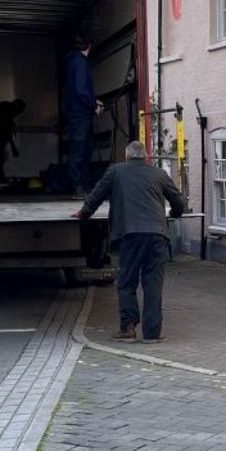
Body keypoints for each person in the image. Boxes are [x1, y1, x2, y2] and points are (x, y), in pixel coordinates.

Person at [73, 140, 185, 343]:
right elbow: (178, 202)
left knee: (126, 282)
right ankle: (152, 334)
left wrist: (83, 213)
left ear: (126, 157)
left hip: (129, 235)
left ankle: (128, 328)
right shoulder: (159, 174)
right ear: (147, 157)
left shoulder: (115, 171)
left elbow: (96, 195)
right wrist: (174, 215)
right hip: (157, 235)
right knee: (153, 284)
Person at [63, 34, 103, 197]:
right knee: (80, 151)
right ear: (89, 46)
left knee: (83, 150)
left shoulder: (72, 62)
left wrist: (93, 101)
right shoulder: (79, 62)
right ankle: (78, 187)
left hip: (77, 113)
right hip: (80, 115)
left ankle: (83, 187)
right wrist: (94, 105)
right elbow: (81, 90)